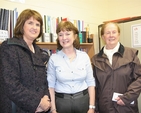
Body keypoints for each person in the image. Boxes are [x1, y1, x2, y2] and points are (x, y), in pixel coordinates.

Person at [0, 9, 51, 113]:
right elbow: (10, 84)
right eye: (30, 23)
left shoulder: (39, 51)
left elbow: (44, 81)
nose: (34, 27)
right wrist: (38, 103)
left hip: (40, 108)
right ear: (21, 25)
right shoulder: (9, 47)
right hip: (18, 108)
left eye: (37, 24)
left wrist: (46, 98)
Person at [47, 21, 96, 113]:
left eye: (68, 34)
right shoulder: (53, 59)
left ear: (75, 36)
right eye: (60, 35)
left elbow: (90, 82)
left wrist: (91, 107)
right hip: (62, 102)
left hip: (82, 101)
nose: (64, 38)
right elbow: (51, 86)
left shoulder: (84, 56)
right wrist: (53, 109)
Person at [92, 22, 141, 113]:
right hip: (105, 108)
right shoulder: (95, 59)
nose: (111, 35)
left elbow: (139, 78)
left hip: (126, 107)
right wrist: (95, 108)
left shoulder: (131, 54)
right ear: (102, 37)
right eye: (107, 33)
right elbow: (95, 86)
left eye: (114, 32)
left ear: (118, 35)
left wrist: (127, 97)